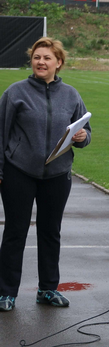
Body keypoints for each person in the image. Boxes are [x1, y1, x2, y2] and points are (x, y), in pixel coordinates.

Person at [0, 37, 92, 312]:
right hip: (19, 172)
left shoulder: (72, 95)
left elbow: (86, 134)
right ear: (32, 60)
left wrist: (82, 136)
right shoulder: (15, 93)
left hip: (57, 174)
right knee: (15, 232)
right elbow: (1, 133)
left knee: (51, 232)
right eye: (37, 57)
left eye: (47, 58)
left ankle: (48, 289)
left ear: (59, 63)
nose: (41, 62)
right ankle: (6, 293)